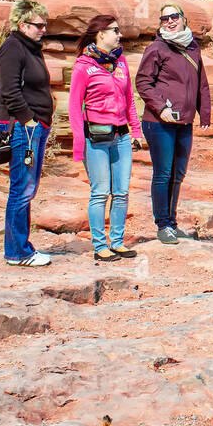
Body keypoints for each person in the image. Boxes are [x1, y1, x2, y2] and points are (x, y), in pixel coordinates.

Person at [135, 4, 211, 244]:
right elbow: (143, 82)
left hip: (184, 122)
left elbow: (202, 84)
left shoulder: (192, 47)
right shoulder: (157, 48)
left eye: (174, 16)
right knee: (163, 174)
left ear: (183, 18)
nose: (170, 21)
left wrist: (204, 113)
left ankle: (172, 223)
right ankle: (162, 225)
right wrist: (162, 108)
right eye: (164, 18)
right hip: (159, 123)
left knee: (178, 174)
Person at [69, 15, 143, 263]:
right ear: (101, 33)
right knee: (100, 192)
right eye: (115, 30)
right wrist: (79, 144)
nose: (119, 35)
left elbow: (130, 100)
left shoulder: (120, 61)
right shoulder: (83, 65)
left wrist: (136, 131)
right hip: (97, 137)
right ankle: (100, 245)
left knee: (121, 192)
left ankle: (118, 242)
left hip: (121, 137)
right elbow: (74, 108)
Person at [0, 0, 54, 267]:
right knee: (22, 187)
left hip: (35, 128)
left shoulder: (30, 48)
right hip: (24, 130)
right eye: (38, 25)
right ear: (22, 24)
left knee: (27, 187)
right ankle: (18, 252)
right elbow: (9, 90)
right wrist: (29, 120)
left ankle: (20, 247)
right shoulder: (12, 48)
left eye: (45, 24)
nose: (43, 29)